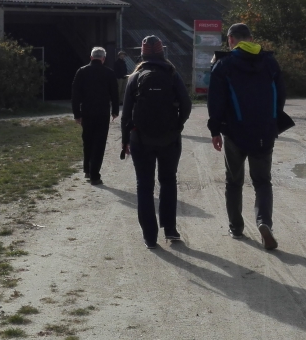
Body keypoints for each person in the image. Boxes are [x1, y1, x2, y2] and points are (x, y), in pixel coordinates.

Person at [206, 23, 286, 251]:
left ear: (231, 39)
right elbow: (280, 96)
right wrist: (273, 121)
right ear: (250, 39)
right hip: (264, 131)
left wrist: (215, 130)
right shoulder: (269, 62)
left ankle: (236, 227)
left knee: (233, 181)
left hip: (235, 132)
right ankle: (264, 222)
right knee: (262, 181)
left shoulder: (223, 64)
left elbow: (215, 101)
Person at [120, 36, 191, 248]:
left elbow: (126, 113)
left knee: (144, 186)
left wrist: (125, 140)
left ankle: (150, 237)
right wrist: (177, 126)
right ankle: (170, 230)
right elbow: (186, 104)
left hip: (140, 138)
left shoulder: (135, 77)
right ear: (162, 53)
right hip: (169, 138)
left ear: (142, 54)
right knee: (168, 181)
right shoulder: (172, 74)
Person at [71, 46, 120, 185]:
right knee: (99, 143)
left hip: (87, 111)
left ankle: (87, 169)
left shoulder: (81, 71)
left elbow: (75, 94)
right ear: (103, 59)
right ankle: (95, 175)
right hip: (102, 112)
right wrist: (115, 110)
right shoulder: (109, 73)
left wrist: (77, 113)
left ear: (91, 57)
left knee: (87, 140)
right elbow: (115, 94)